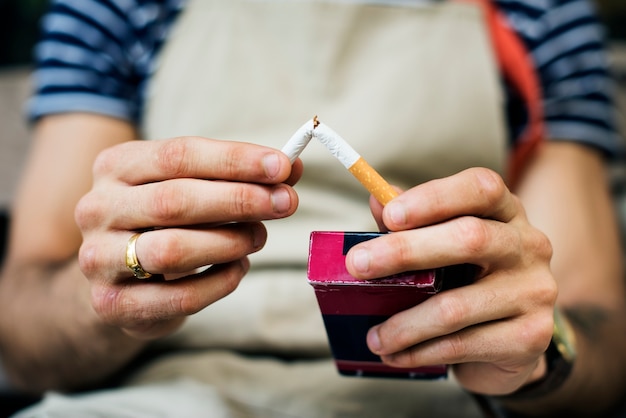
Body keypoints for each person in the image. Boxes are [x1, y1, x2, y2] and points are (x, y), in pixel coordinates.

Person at [1, 0, 625, 416]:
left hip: (442, 396)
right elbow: (24, 341)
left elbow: (605, 345)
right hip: (160, 392)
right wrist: (108, 295)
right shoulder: (117, 7)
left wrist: (540, 348)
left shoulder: (540, 12)